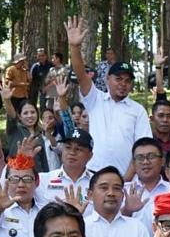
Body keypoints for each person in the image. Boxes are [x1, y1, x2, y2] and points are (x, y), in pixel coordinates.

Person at [66, 17, 153, 175]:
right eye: (118, 79)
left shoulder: (138, 110)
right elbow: (80, 75)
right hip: (93, 174)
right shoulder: (95, 99)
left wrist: (127, 179)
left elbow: (142, 148)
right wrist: (74, 47)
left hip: (125, 179)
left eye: (127, 80)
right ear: (107, 79)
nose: (123, 83)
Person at [36, 127, 96, 206]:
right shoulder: (42, 179)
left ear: (90, 156)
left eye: (78, 149)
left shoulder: (98, 183)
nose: (72, 152)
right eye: (68, 147)